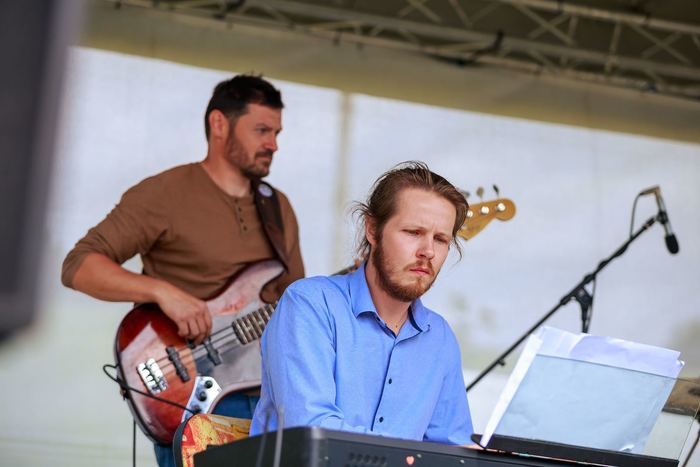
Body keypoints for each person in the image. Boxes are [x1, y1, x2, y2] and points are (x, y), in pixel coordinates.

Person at [61, 74, 304, 466]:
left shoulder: (279, 208)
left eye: (276, 133)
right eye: (261, 130)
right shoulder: (164, 193)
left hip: (268, 398)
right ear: (219, 124)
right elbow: (79, 265)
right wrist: (162, 293)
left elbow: (293, 303)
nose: (273, 144)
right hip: (195, 397)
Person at [250, 161, 473, 445]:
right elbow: (312, 431)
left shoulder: (440, 338)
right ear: (372, 229)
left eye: (440, 239)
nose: (428, 251)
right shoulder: (309, 304)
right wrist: (408, 457)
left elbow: (452, 448)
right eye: (413, 232)